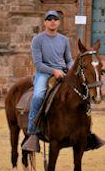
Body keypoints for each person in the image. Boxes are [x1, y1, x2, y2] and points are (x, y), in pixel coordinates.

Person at [22, 10, 74, 152]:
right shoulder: (38, 40)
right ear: (45, 22)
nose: (52, 21)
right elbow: (38, 64)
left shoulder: (64, 40)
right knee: (38, 96)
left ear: (59, 22)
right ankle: (32, 132)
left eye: (55, 19)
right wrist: (53, 71)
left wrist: (70, 69)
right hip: (44, 73)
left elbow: (69, 60)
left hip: (62, 72)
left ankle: (85, 131)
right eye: (49, 19)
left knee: (79, 93)